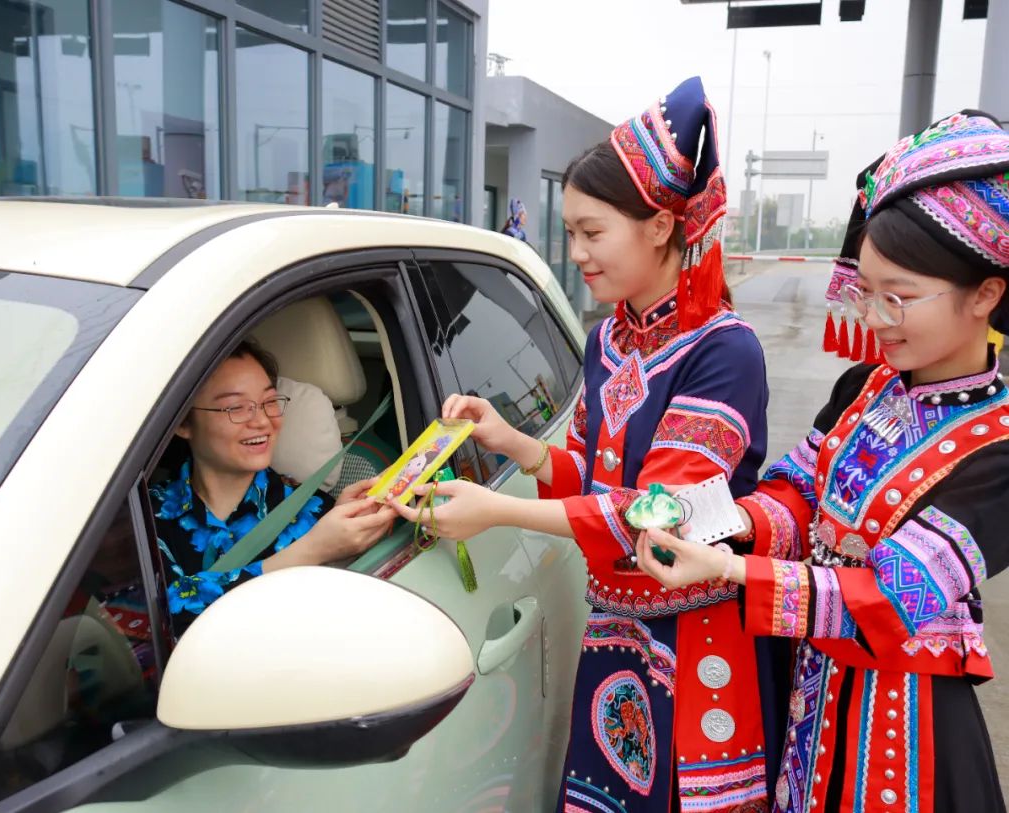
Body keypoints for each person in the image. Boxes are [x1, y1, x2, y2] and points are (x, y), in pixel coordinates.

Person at [389, 77, 788, 812]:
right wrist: (513, 440)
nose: (574, 251)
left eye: (591, 232)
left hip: (693, 631)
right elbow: (588, 470)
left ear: (660, 226)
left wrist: (496, 510)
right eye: (570, 232)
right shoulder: (609, 339)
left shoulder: (723, 350)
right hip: (614, 625)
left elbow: (655, 514)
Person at [634, 109, 1009, 812]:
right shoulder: (864, 387)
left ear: (986, 293)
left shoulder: (997, 446)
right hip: (818, 691)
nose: (874, 318)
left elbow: (890, 600)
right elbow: (798, 488)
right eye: (866, 291)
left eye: (898, 298)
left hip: (907, 725)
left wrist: (728, 569)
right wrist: (720, 520)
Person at [150, 338, 394, 636]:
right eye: (236, 407)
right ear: (182, 422)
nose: (263, 421)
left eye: (269, 402)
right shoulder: (144, 518)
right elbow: (160, 622)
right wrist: (311, 550)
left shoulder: (315, 512)